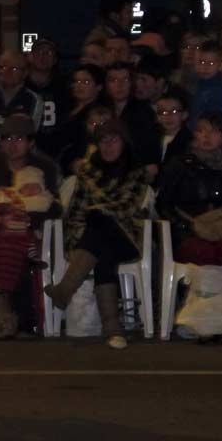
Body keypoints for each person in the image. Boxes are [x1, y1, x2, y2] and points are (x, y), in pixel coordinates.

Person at [45, 120, 148, 349]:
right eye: (103, 141)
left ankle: (64, 289)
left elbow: (125, 208)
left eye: (114, 140)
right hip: (89, 237)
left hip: (126, 236)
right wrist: (88, 219)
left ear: (124, 143)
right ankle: (112, 329)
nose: (108, 146)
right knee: (102, 246)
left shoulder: (136, 171)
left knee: (102, 222)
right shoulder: (89, 169)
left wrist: (95, 202)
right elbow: (75, 212)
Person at [0, 114, 60, 337]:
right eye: (7, 139)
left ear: (30, 142)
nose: (12, 145)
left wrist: (25, 214)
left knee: (14, 240)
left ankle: (17, 315)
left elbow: (54, 206)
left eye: (19, 139)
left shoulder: (43, 167)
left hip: (24, 226)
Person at [157, 112, 222, 267]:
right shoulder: (180, 164)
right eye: (201, 130)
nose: (207, 136)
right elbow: (164, 203)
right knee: (200, 252)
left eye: (214, 131)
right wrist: (187, 225)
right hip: (188, 231)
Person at [104, 62, 160, 179]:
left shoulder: (144, 113)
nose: (119, 85)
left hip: (132, 174)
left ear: (132, 84)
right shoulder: (100, 110)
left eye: (125, 80)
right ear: (106, 85)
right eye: (113, 80)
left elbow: (149, 156)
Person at [26, 37, 69, 156]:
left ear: (55, 59)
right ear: (30, 56)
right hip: (26, 151)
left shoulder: (64, 87)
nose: (43, 56)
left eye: (49, 52)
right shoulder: (21, 87)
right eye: (39, 52)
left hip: (56, 151)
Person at [190, 41, 222, 131]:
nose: (205, 67)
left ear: (220, 65)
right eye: (202, 62)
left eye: (211, 63)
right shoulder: (196, 85)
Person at [155, 89, 192, 173]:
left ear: (184, 114)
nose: (169, 116)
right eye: (163, 112)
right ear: (157, 117)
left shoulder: (189, 142)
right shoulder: (154, 138)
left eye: (174, 111)